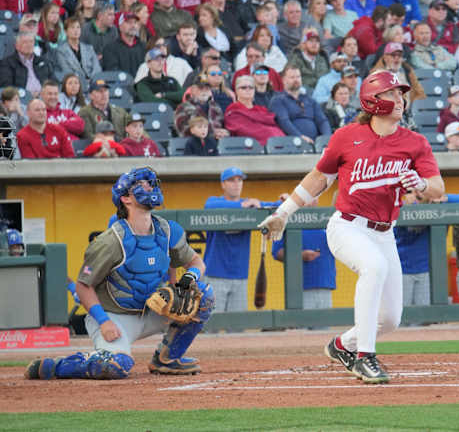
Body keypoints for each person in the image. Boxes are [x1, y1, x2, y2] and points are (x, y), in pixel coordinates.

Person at [258, 70, 444, 384]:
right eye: (391, 93)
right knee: (373, 267)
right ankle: (364, 357)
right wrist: (285, 211)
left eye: (401, 93)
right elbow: (319, 178)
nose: (399, 99)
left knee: (390, 319)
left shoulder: (415, 142)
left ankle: (343, 345)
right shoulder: (346, 136)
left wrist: (422, 183)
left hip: (384, 231)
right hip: (347, 226)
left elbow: (438, 188)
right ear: (373, 100)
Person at [24, 167, 214, 380]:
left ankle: (167, 359)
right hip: (114, 317)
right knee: (115, 366)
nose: (149, 187)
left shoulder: (166, 230)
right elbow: (83, 286)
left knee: (204, 295)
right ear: (125, 198)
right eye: (142, 185)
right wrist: (103, 322)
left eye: (151, 183)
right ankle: (57, 366)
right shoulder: (111, 240)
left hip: (152, 309)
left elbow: (196, 261)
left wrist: (190, 277)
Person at [203, 167, 281, 312]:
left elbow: (274, 206)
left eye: (239, 180)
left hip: (240, 276)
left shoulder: (250, 204)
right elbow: (209, 206)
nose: (236, 184)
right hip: (215, 275)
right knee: (211, 325)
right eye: (231, 180)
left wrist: (284, 200)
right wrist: (241, 205)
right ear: (223, 184)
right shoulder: (215, 202)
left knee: (237, 327)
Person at [272, 200, 336, 310]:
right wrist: (300, 255)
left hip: (326, 286)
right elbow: (277, 253)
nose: (312, 200)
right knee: (301, 325)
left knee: (324, 326)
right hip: (299, 290)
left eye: (315, 197)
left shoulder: (328, 220)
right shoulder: (288, 220)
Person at [269, 64, 332, 143]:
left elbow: (322, 121)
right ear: (283, 80)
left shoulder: (310, 100)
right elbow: (284, 122)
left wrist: (326, 138)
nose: (296, 80)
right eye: (292, 77)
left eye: (298, 77)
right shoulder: (278, 100)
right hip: (293, 143)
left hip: (316, 143)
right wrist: (300, 137)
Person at [224, 75, 285, 145]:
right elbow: (243, 130)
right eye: (243, 87)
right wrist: (270, 132)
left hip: (276, 143)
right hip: (251, 147)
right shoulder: (233, 110)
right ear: (236, 91)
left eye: (251, 87)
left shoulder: (261, 109)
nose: (248, 90)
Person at [53, 17, 102, 93]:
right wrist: (84, 82)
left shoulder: (89, 48)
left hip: (93, 84)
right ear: (66, 31)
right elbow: (67, 72)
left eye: (78, 27)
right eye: (72, 28)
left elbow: (97, 68)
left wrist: (92, 81)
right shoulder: (61, 51)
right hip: (75, 86)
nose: (76, 30)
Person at [0, 31, 54, 98]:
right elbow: (7, 87)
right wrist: (28, 94)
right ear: (17, 46)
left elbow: (54, 81)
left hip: (46, 97)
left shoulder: (44, 61)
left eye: (31, 42)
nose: (29, 45)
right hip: (23, 99)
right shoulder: (7, 63)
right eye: (25, 42)